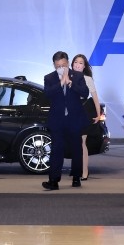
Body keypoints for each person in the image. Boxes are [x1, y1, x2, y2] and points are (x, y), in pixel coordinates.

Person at [42, 51, 89, 190]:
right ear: (54, 65)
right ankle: (53, 180)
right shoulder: (49, 78)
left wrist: (70, 83)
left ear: (68, 63)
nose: (61, 68)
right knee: (56, 149)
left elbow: (85, 93)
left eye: (63, 65)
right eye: (58, 66)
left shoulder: (78, 76)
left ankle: (76, 177)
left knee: (76, 149)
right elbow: (47, 94)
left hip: (74, 119)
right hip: (57, 120)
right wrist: (60, 83)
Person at [71, 54, 101, 181]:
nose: (78, 65)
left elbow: (95, 98)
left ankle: (84, 171)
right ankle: (76, 170)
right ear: (72, 64)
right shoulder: (67, 77)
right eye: (76, 62)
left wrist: (99, 115)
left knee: (82, 142)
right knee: (73, 143)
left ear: (84, 66)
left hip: (83, 112)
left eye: (81, 63)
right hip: (70, 112)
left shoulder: (88, 79)